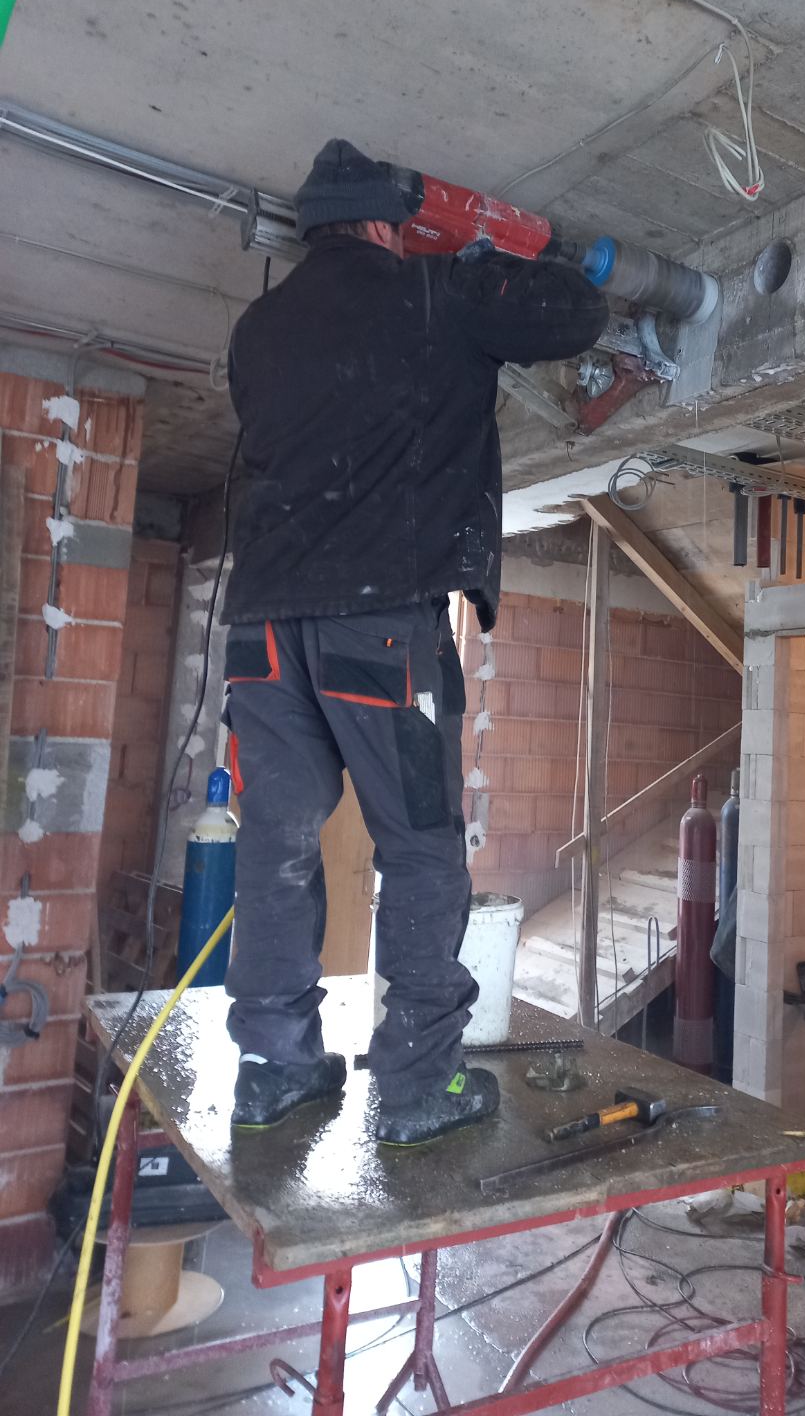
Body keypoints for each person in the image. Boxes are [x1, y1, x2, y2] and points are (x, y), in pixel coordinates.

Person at [219, 139, 608, 1145]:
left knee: (276, 842)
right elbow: (578, 314)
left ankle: (274, 1067)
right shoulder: (436, 292)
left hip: (262, 631)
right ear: (389, 227)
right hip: (378, 625)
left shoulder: (256, 330)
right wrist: (490, 258)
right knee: (422, 846)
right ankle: (414, 1087)